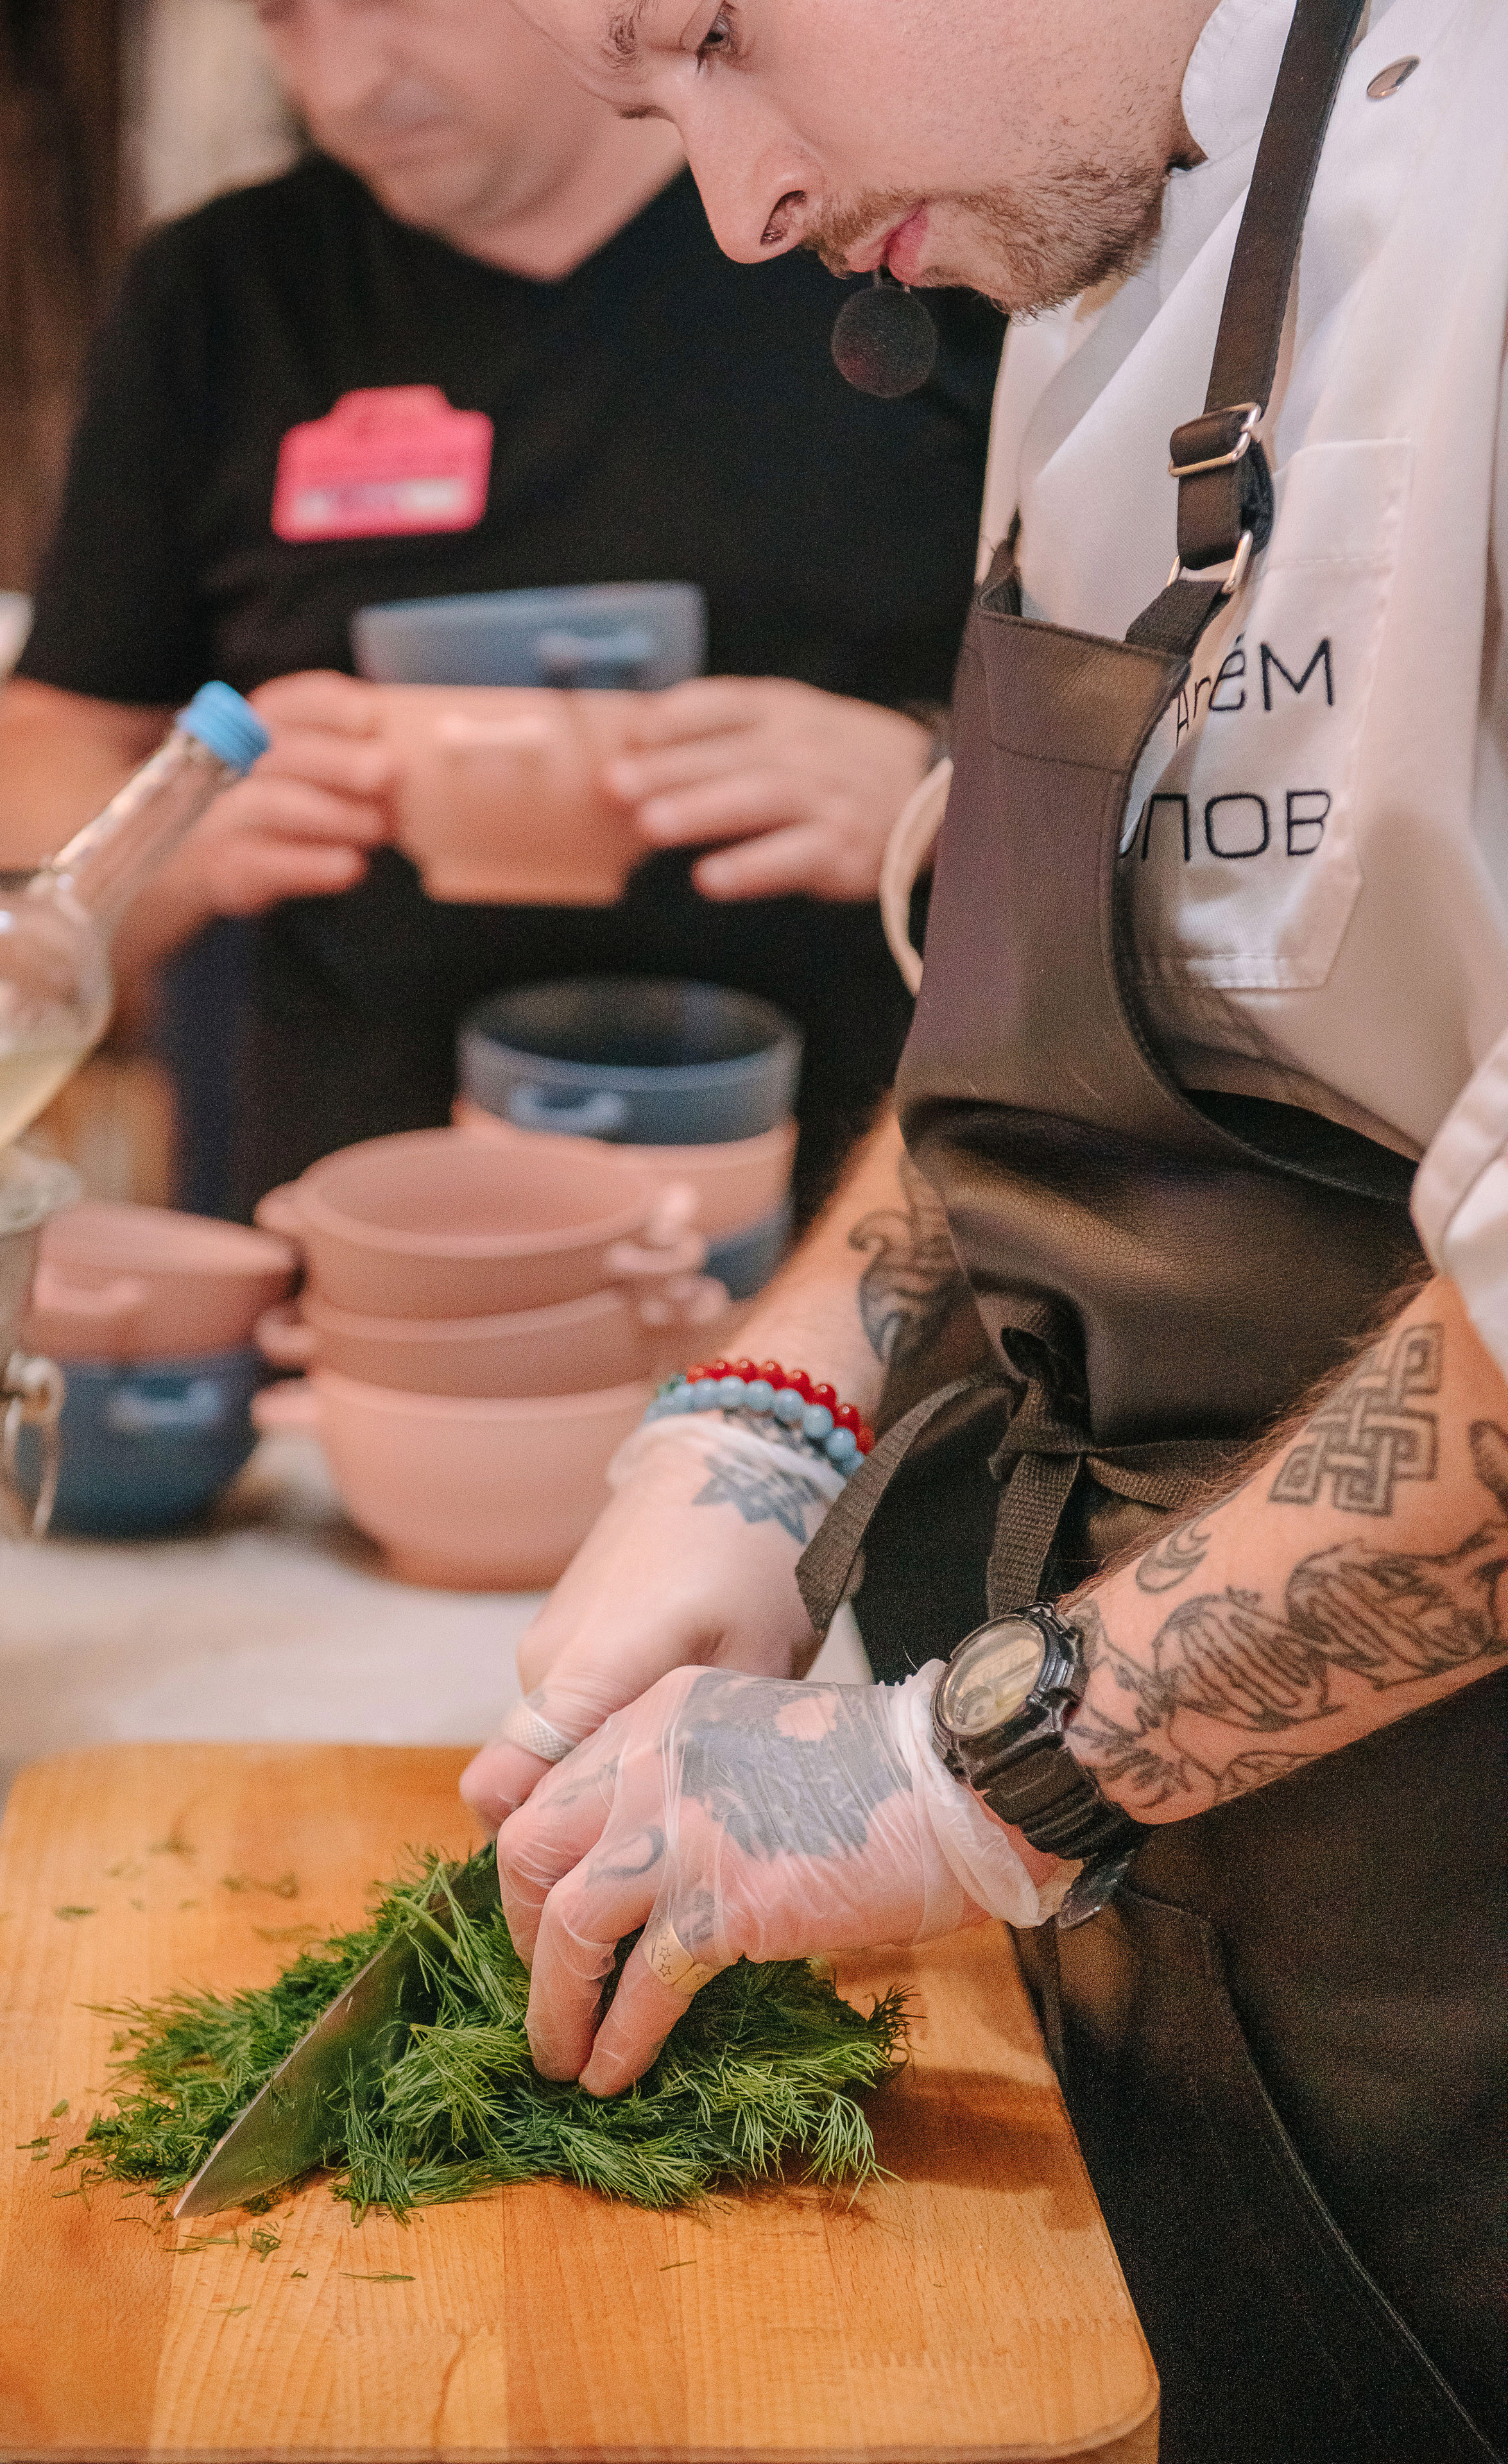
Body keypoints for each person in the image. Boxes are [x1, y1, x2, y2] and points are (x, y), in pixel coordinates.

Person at [460, 0, 1508, 2458]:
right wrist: (765, 1411)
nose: (738, 205)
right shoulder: (1085, 244)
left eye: (718, 40)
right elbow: (1035, 1037)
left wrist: (971, 1779)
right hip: (1162, 1926)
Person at [0, 0, 1002, 1222]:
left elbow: (1196, 769)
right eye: (283, 21)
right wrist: (176, 846)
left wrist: (937, 800)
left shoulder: (897, 240)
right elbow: (42, 776)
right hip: (357, 1276)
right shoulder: (224, 294)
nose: (347, 84)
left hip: (874, 1244)